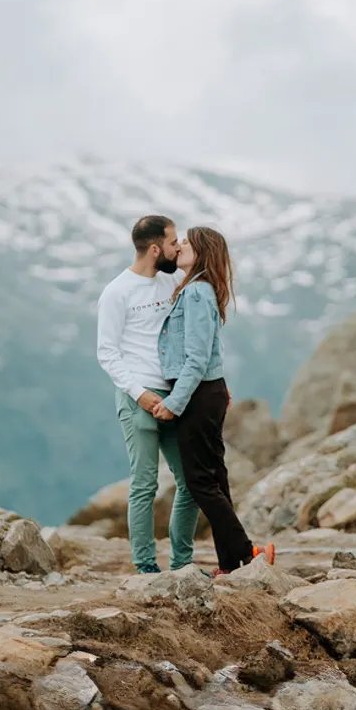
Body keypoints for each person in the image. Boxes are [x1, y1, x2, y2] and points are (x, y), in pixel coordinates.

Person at [153, 226, 275, 574]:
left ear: (202, 252)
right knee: (215, 478)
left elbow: (195, 356)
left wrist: (174, 402)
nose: (179, 248)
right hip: (208, 389)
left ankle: (249, 554)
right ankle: (233, 562)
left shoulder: (195, 293)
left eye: (186, 244)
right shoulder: (199, 290)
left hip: (196, 394)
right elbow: (210, 349)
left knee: (201, 481)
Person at [96, 214, 199, 574]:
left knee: (190, 481)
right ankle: (145, 568)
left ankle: (183, 563)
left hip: (173, 398)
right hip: (137, 396)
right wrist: (139, 394)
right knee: (144, 483)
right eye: (173, 243)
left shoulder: (168, 285)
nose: (178, 247)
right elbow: (106, 352)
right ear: (155, 248)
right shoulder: (116, 292)